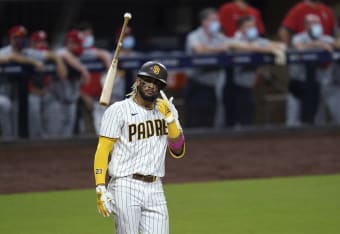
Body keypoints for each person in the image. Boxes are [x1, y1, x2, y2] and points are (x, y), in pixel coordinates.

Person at [93, 61, 186, 234]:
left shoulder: (166, 110)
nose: (152, 86)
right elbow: (103, 150)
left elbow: (178, 149)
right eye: (148, 80)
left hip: (155, 187)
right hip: (125, 185)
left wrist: (171, 120)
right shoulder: (118, 111)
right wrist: (100, 186)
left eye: (157, 83)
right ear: (138, 81)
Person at [231, 16, 286, 126]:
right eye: (249, 27)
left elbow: (282, 46)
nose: (253, 29)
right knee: (231, 120)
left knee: (247, 116)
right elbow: (245, 48)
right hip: (233, 87)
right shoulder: (234, 40)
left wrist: (274, 48)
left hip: (249, 86)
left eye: (253, 26)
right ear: (241, 29)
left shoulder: (256, 40)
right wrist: (269, 49)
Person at [286, 14, 335, 126]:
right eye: (312, 23)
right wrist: (320, 45)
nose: (316, 25)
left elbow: (335, 43)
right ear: (306, 25)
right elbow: (300, 47)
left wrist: (328, 44)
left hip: (316, 84)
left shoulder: (325, 38)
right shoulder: (298, 37)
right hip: (298, 84)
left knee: (318, 120)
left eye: (317, 22)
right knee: (292, 121)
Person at [185, 8, 230, 128]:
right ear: (204, 22)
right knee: (194, 122)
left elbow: (232, 44)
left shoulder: (219, 37)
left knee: (209, 122)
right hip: (196, 85)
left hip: (211, 86)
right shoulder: (194, 36)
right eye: (214, 20)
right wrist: (220, 49)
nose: (217, 23)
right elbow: (199, 50)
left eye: (217, 20)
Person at [0, 25, 45, 138]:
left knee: (16, 123)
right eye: (17, 37)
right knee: (5, 106)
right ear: (11, 38)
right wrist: (33, 62)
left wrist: (57, 60)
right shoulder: (4, 51)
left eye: (22, 37)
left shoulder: (27, 52)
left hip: (16, 96)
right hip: (2, 94)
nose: (20, 40)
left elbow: (49, 55)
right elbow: (10, 57)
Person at [27, 30, 68, 138]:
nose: (43, 44)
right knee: (33, 106)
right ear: (32, 44)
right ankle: (34, 141)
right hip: (29, 94)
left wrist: (58, 60)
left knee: (55, 108)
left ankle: (52, 142)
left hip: (46, 94)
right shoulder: (27, 53)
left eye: (44, 41)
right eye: (39, 42)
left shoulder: (51, 57)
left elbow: (63, 75)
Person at [76, 22, 112, 134]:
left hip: (98, 98)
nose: (89, 37)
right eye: (86, 34)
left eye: (90, 34)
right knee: (83, 133)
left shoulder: (95, 51)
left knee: (101, 131)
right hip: (80, 99)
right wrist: (82, 95)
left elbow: (106, 57)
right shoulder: (74, 53)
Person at [54, 29, 91, 137]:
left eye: (80, 43)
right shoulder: (60, 52)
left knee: (67, 138)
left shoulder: (80, 55)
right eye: (76, 43)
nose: (79, 46)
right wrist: (83, 70)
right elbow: (63, 54)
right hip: (56, 103)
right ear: (69, 42)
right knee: (53, 138)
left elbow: (100, 53)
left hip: (71, 103)